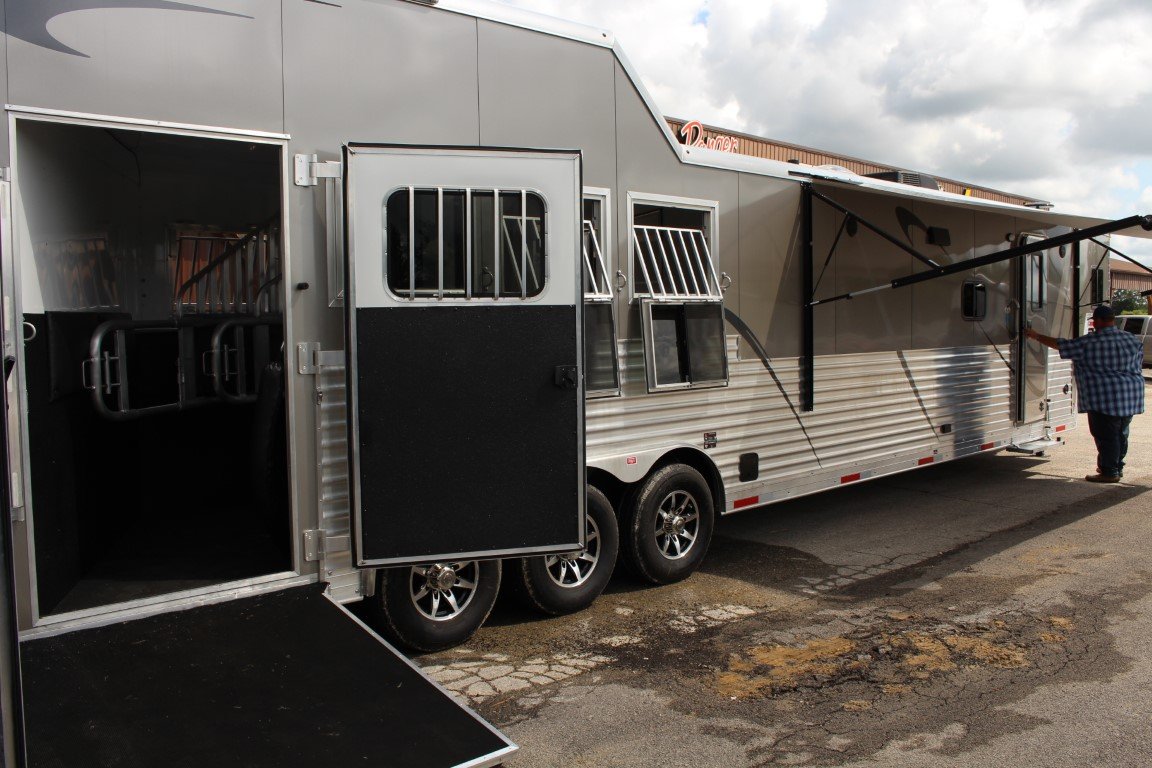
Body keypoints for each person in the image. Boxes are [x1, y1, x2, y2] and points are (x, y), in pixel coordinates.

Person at [1025, 304, 1144, 483]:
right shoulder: (1132, 340)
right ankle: (1116, 467)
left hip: (1104, 397)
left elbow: (1060, 345)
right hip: (1130, 395)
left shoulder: (1090, 342)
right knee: (1121, 433)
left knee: (1106, 435)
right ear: (1112, 320)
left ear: (1097, 321)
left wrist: (1036, 336)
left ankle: (1109, 472)